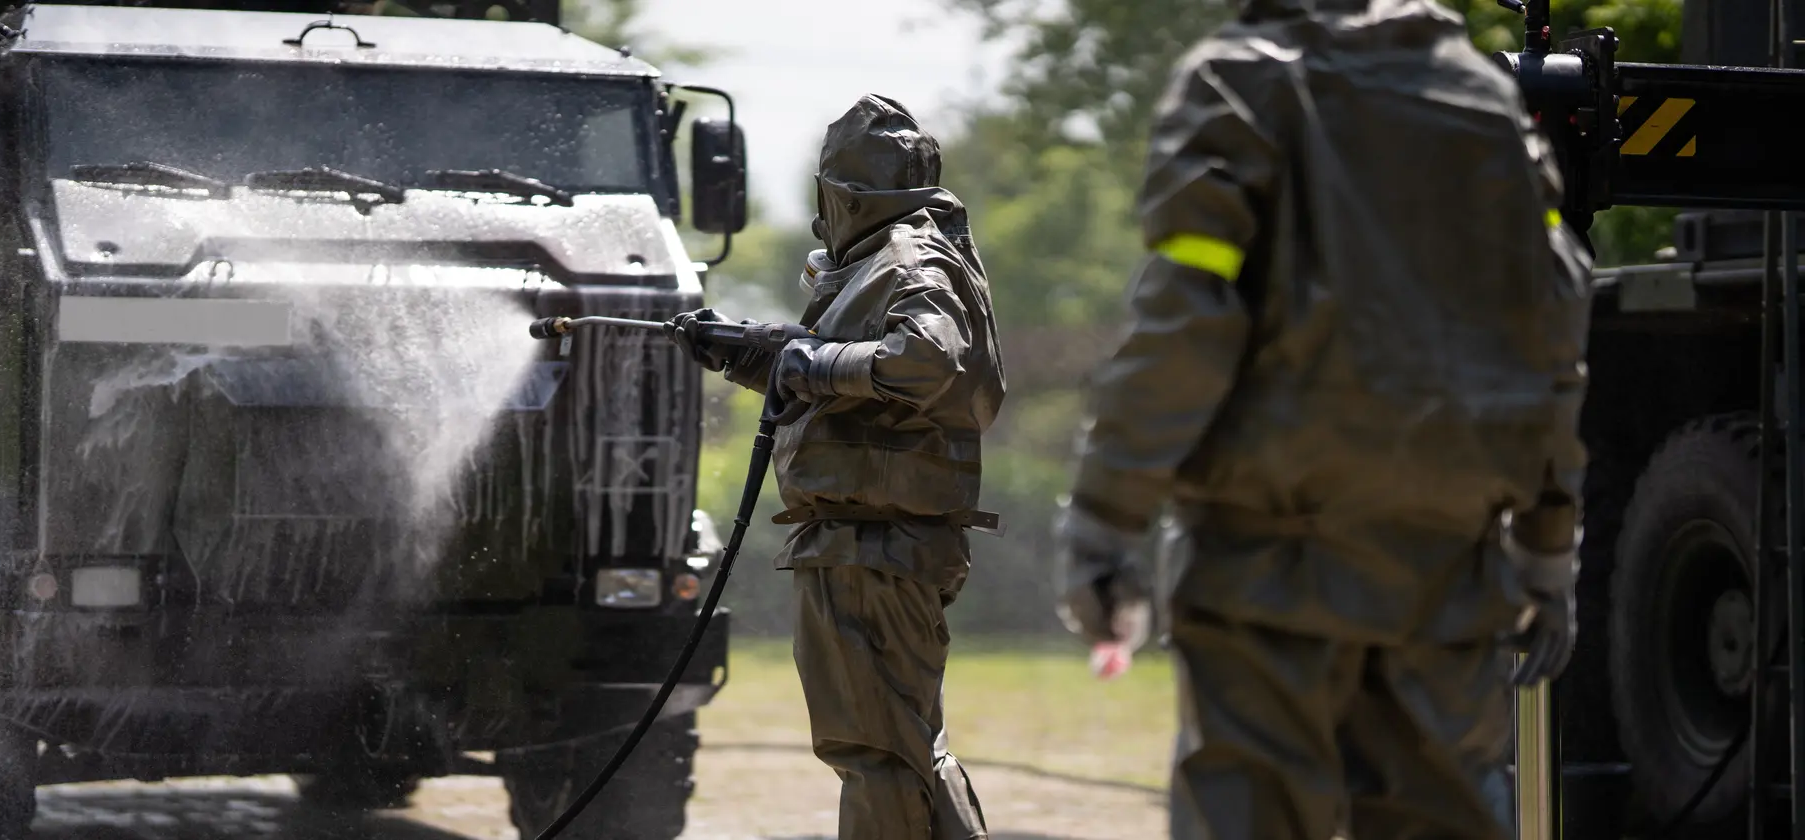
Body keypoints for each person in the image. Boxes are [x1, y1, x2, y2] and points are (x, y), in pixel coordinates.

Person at [1049, 0, 1595, 835]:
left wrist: (1105, 517)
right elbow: (1553, 328)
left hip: (1270, 559)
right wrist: (1549, 546)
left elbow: (1188, 319)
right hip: (1447, 557)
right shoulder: (1484, 100)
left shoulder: (1239, 81)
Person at [666, 93, 1001, 840]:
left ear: (844, 196)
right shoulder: (892, 261)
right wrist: (753, 353)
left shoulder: (908, 259)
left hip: (872, 548)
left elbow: (931, 363)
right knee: (903, 747)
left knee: (876, 751)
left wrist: (810, 362)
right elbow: (858, 385)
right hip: (869, 546)